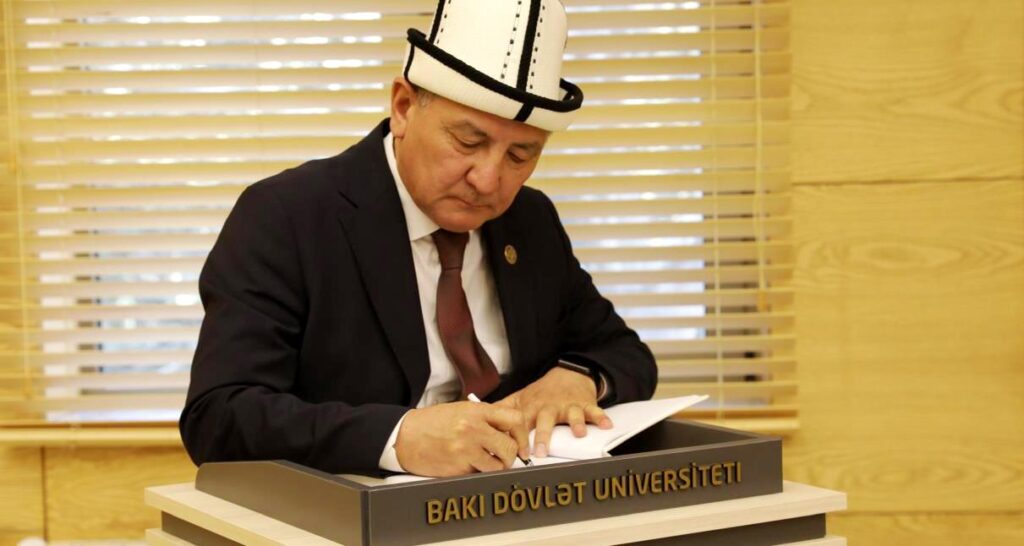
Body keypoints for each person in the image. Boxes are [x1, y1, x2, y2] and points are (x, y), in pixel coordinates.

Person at [179, 0, 657, 478]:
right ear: (403, 107)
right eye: (468, 142)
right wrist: (397, 437)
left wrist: (579, 378)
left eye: (520, 155)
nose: (488, 180)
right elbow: (219, 416)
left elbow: (625, 353)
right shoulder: (288, 216)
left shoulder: (530, 220)